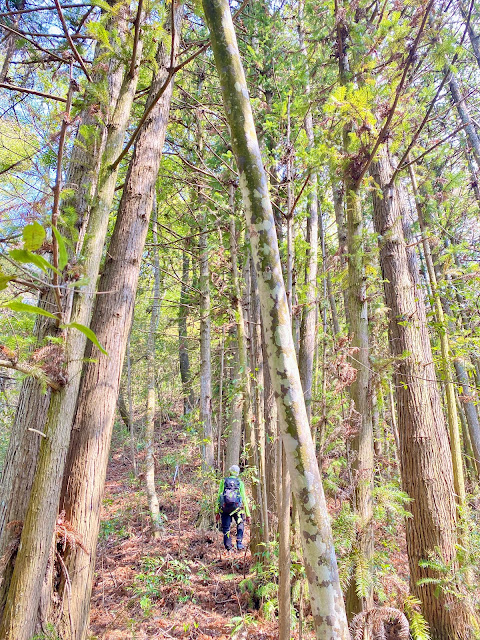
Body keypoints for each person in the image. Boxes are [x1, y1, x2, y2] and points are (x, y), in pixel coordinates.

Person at [215, 465, 250, 551]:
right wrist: (248, 514)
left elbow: (219, 496)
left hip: (225, 508)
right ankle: (239, 543)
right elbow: (244, 498)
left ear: (230, 472)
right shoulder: (240, 482)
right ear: (238, 473)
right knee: (240, 524)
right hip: (237, 508)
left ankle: (228, 548)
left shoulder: (223, 481)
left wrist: (217, 511)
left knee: (226, 528)